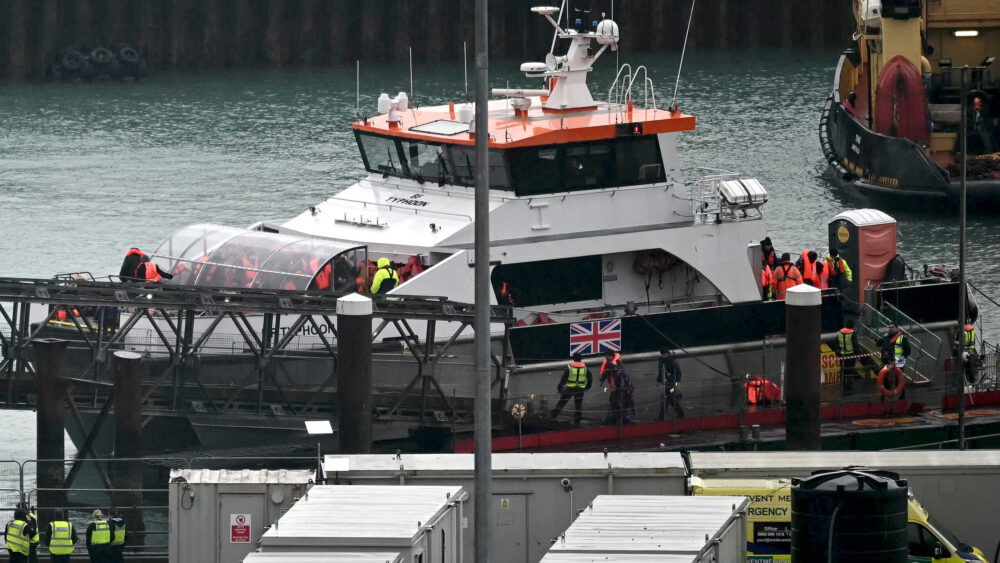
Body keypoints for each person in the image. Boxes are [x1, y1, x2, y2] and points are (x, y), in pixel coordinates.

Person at [550, 353, 592, 426]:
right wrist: (587, 387)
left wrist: (560, 387)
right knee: (578, 406)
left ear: (573, 359)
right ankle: (577, 422)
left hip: (569, 388)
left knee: (562, 402)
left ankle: (553, 417)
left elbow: (564, 378)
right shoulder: (585, 368)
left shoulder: (570, 367)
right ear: (581, 359)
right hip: (580, 389)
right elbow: (590, 378)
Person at [657, 348, 685, 419]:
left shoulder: (673, 361)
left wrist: (677, 382)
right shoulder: (661, 362)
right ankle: (680, 413)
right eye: (663, 354)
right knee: (670, 399)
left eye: (665, 354)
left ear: (667, 353)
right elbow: (660, 372)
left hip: (673, 384)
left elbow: (678, 372)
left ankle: (662, 416)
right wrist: (659, 380)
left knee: (667, 398)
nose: (664, 355)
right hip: (666, 383)